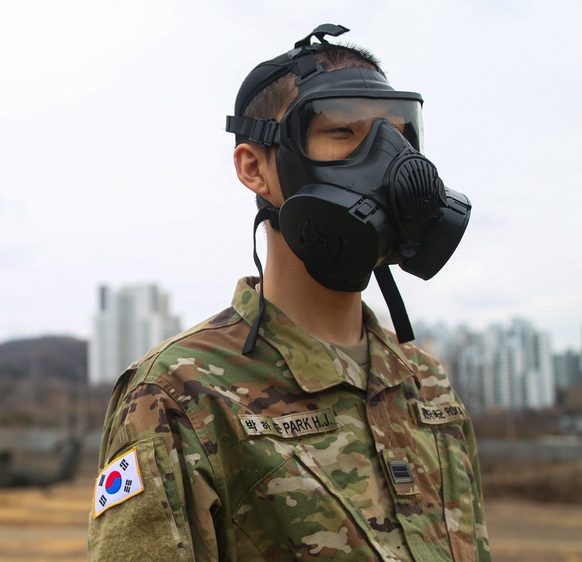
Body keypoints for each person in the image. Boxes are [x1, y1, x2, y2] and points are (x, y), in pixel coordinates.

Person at [88, 24, 490, 561]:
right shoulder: (180, 394)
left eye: (399, 135)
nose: (391, 164)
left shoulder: (426, 384)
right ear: (255, 167)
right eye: (342, 133)